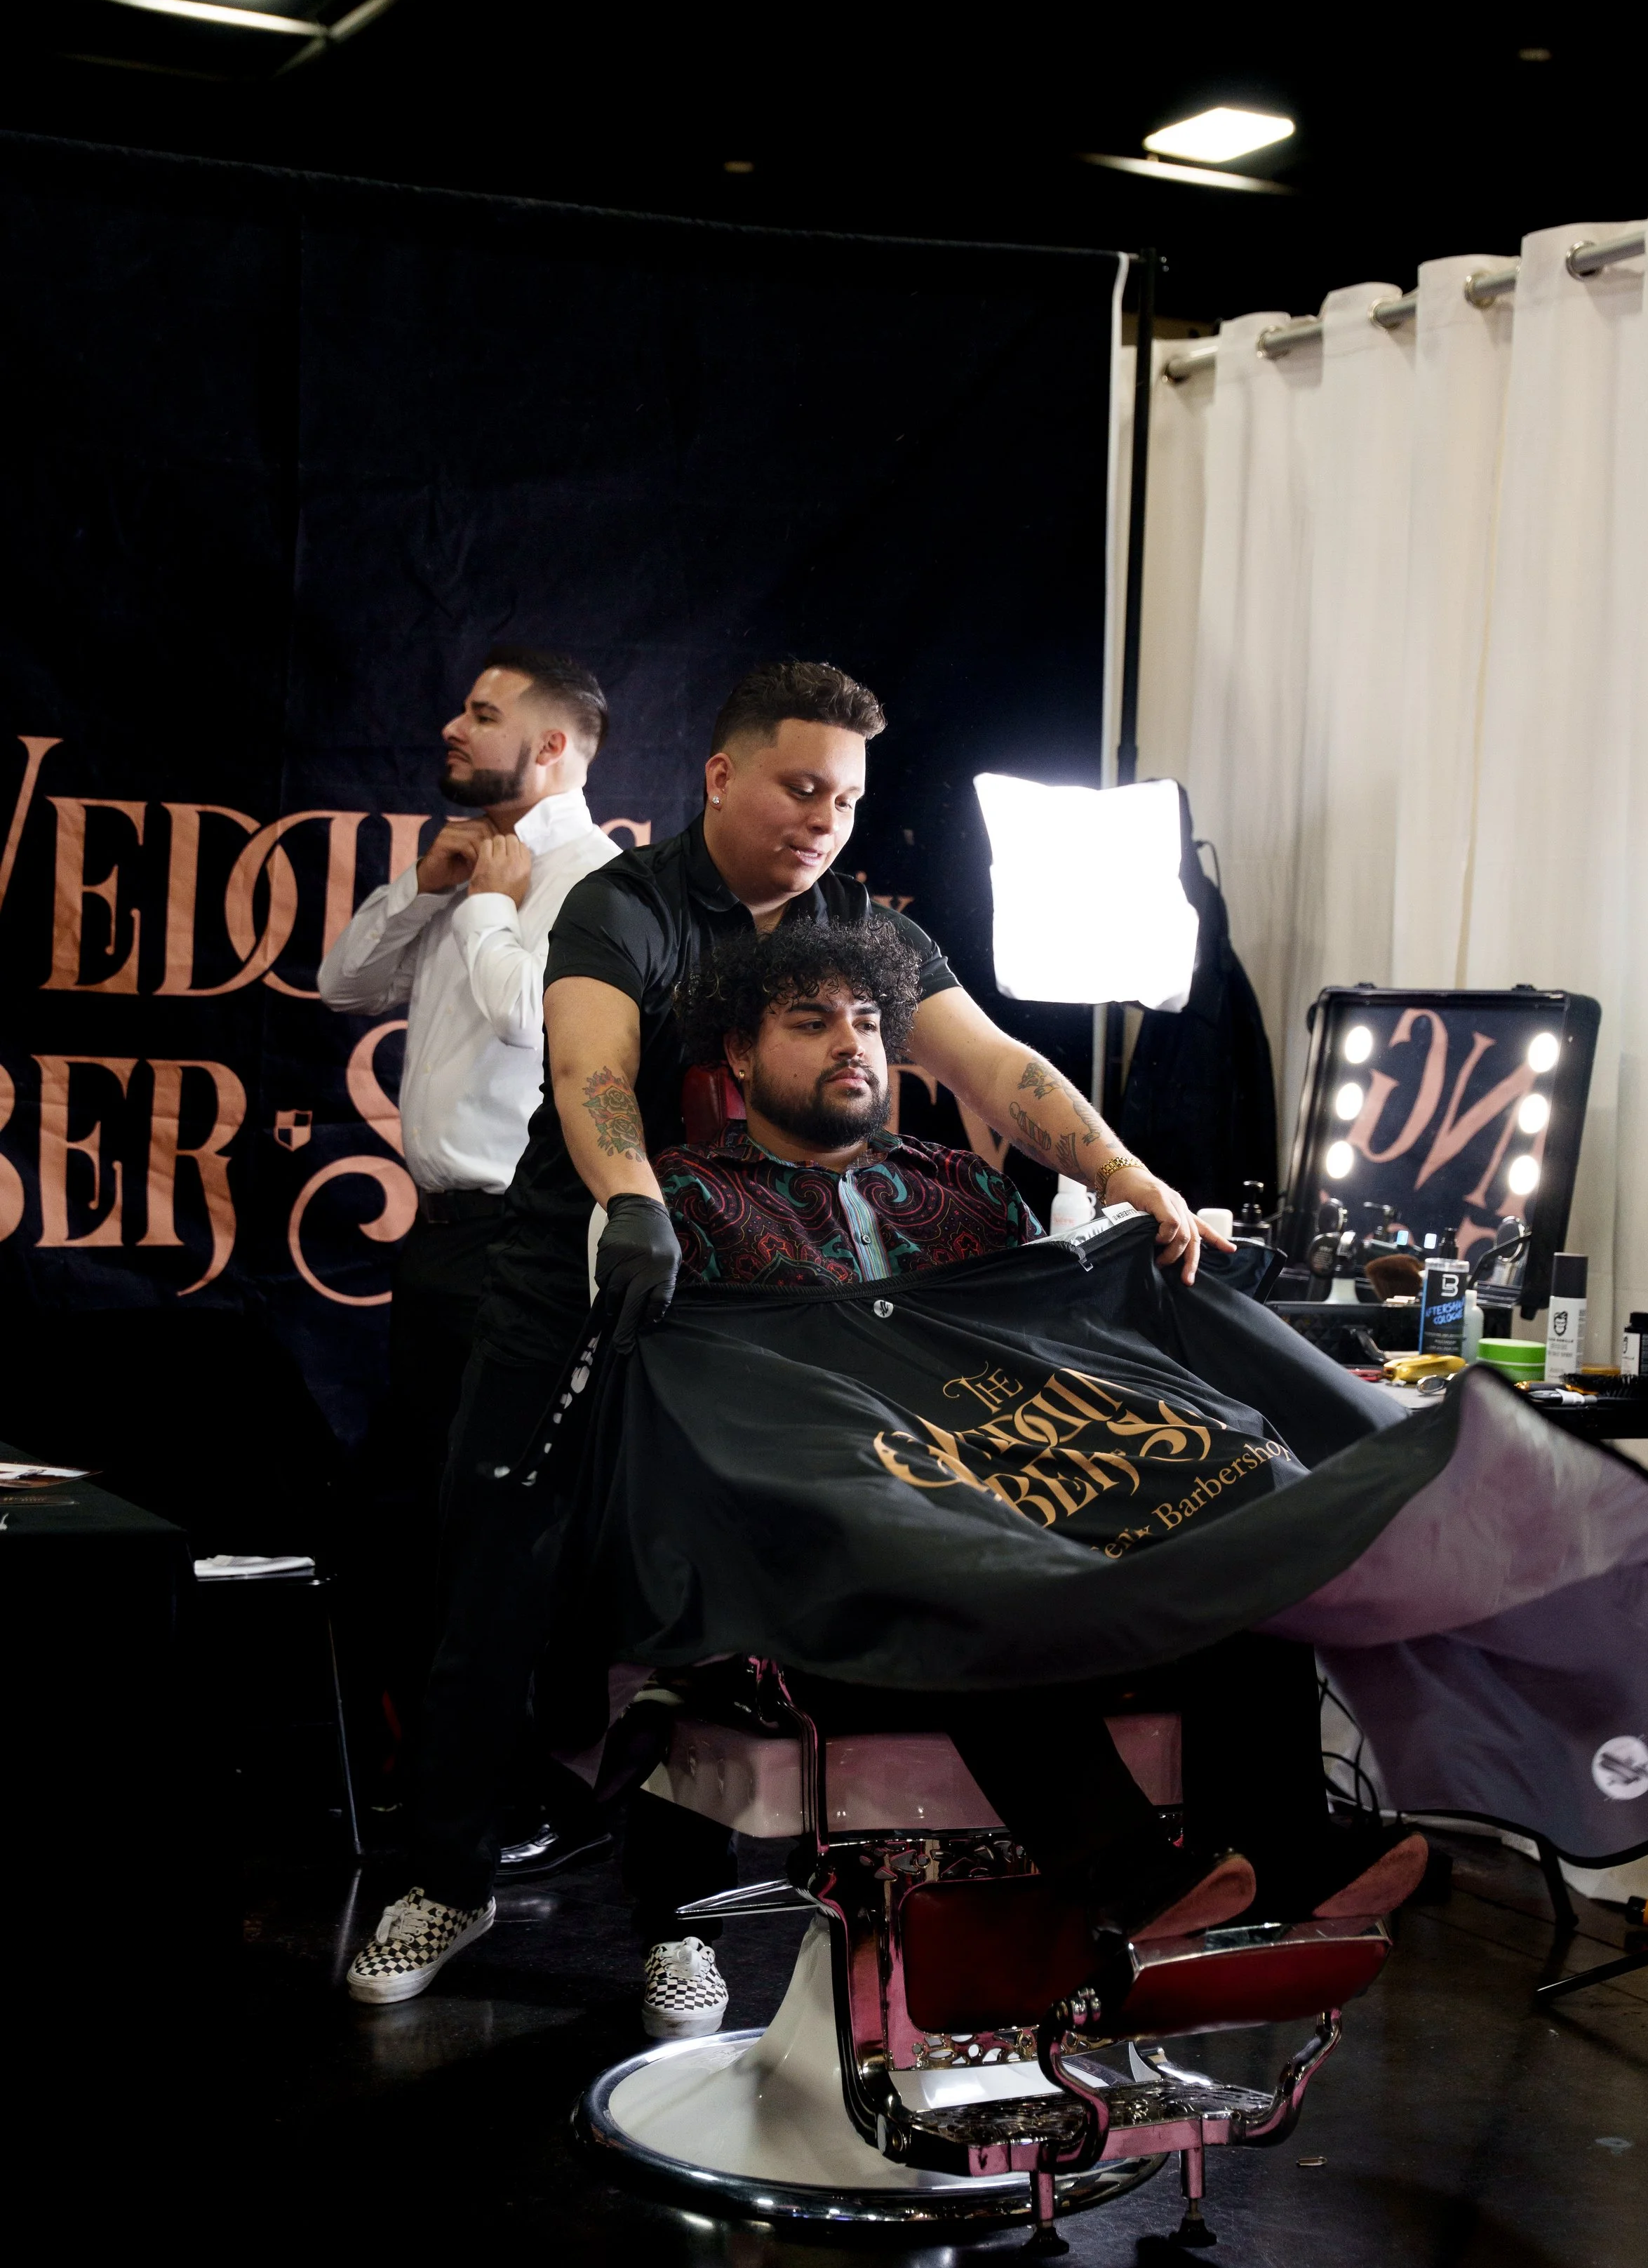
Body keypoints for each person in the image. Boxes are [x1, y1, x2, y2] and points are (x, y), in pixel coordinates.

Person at [345, 656, 1244, 2008]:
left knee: (722, 1604)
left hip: (752, 1298)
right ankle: (449, 1884)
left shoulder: (851, 925)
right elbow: (590, 1071)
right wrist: (633, 1202)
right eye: (802, 785)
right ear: (721, 776)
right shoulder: (626, 906)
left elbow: (994, 1064)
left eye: (849, 796)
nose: (826, 816)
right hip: (578, 1269)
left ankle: (677, 1921)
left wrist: (1132, 1178)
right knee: (497, 1581)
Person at [614, 914, 1428, 2036]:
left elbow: (1057, 1357)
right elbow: (692, 1408)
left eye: (866, 1022)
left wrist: (1146, 1249)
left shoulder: (966, 1192)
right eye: (811, 1023)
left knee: (1226, 1520)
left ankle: (1288, 1846)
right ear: (741, 1055)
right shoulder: (686, 1209)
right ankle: (1125, 1870)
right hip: (830, 1570)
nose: (850, 1045)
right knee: (959, 1565)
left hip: (1018, 1513)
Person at [319, 646, 622, 1874]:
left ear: (552, 748)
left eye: (484, 714)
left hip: (522, 1243)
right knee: (410, 1527)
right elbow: (345, 984)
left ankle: (527, 1791)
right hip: (438, 1245)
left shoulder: (591, 876)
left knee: (501, 1534)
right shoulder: (475, 867)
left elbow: (536, 1014)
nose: (452, 725)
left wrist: (495, 900)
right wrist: (433, 888)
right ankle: (449, 1775)